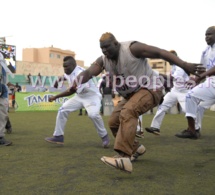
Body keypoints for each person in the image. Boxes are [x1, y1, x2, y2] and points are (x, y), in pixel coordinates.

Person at [70, 32, 200, 173]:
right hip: (130, 95)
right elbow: (89, 72)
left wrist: (185, 65)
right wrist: (76, 82)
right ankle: (136, 148)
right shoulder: (103, 60)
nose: (105, 51)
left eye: (107, 47)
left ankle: (124, 157)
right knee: (113, 122)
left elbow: (160, 52)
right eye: (102, 48)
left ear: (116, 43)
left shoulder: (132, 49)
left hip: (150, 88)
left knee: (128, 112)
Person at [45, 56, 110, 148]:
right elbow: (65, 76)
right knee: (62, 110)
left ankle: (104, 136)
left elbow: (70, 91)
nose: (64, 69)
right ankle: (58, 136)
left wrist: (55, 97)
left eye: (66, 66)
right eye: (63, 66)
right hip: (80, 96)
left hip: (92, 97)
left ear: (73, 65)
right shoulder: (68, 71)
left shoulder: (80, 74)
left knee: (93, 115)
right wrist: (58, 80)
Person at [145, 50, 204, 136]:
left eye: (169, 58)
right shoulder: (174, 66)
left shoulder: (180, 67)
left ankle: (196, 128)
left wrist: (156, 73)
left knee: (187, 110)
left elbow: (171, 78)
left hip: (184, 92)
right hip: (174, 91)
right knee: (163, 106)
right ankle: (155, 127)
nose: (168, 61)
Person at [175, 26, 215, 139]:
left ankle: (191, 131)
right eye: (206, 35)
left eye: (210, 34)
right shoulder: (205, 51)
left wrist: (198, 78)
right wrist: (195, 79)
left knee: (190, 96)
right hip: (210, 82)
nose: (207, 37)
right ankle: (195, 129)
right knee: (199, 106)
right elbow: (201, 68)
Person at [0, 52, 12, 146]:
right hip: (2, 93)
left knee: (3, 113)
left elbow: (4, 80)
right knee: (2, 114)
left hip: (3, 91)